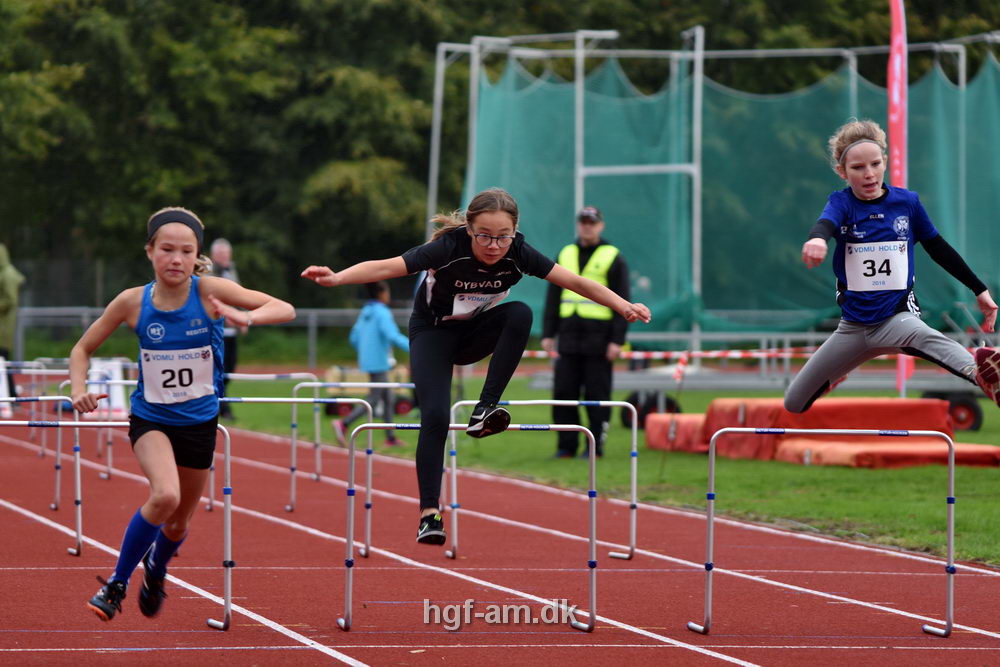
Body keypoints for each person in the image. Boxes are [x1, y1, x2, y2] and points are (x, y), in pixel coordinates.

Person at [302, 187, 650, 546]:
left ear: (514, 232)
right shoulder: (447, 248)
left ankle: (485, 408)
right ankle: (429, 515)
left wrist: (623, 306)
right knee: (434, 416)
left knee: (520, 313)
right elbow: (389, 266)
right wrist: (337, 277)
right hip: (433, 335)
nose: (494, 245)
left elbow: (575, 282)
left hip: (474, 334)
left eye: (503, 237)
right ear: (469, 229)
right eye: (484, 236)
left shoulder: (518, 253)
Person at [71, 207, 294, 622]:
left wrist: (247, 316)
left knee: (177, 525)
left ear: (196, 257)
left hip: (199, 423)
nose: (176, 259)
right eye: (167, 249)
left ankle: (156, 567)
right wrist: (79, 389)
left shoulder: (210, 291)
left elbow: (284, 308)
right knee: (165, 496)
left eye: (185, 251)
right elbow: (82, 349)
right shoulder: (132, 302)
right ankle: (117, 583)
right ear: (150, 252)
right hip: (152, 419)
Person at [785, 119, 1000, 414]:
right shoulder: (842, 203)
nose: (869, 174)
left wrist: (980, 289)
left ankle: (987, 374)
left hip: (897, 319)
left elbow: (938, 248)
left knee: (928, 337)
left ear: (885, 161)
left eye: (875, 164)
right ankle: (835, 374)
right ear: (842, 172)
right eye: (858, 168)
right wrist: (817, 240)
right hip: (852, 328)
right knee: (793, 403)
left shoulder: (907, 203)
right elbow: (825, 223)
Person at [541, 206, 630, 459]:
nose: (587, 226)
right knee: (564, 393)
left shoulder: (613, 256)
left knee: (596, 395)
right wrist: (548, 333)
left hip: (599, 340)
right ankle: (566, 445)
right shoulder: (565, 252)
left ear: (600, 225)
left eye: (592, 222)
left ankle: (594, 447)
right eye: (583, 222)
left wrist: (617, 341)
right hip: (568, 338)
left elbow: (623, 300)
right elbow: (553, 296)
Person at [331, 281, 410, 447]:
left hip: (368, 360)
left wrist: (366, 351)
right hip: (379, 362)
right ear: (381, 293)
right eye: (387, 292)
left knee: (388, 398)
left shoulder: (365, 312)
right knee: (373, 399)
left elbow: (353, 338)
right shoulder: (382, 312)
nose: (389, 296)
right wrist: (415, 347)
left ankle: (390, 438)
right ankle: (343, 424)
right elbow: (392, 335)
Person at [210, 238, 241, 419]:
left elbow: (238, 295)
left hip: (232, 330)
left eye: (227, 253)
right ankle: (223, 406)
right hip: (217, 329)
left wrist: (243, 318)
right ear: (214, 255)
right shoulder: (209, 273)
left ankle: (221, 403)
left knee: (230, 369)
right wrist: (227, 316)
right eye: (221, 254)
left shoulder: (232, 271)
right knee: (219, 370)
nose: (225, 257)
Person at [0, 244, 25, 398]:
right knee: (3, 363)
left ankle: (11, 396)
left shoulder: (7, 274)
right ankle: (11, 395)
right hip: (3, 327)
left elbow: (11, 300)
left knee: (3, 362)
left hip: (3, 328)